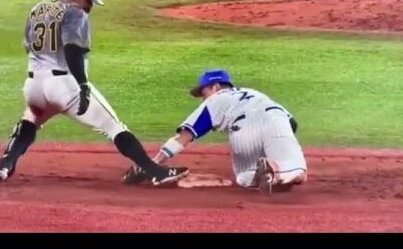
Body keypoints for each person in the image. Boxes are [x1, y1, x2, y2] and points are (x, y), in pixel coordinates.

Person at [0, 0, 189, 186]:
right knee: (113, 126)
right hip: (64, 85)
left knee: (31, 119)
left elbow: (27, 46)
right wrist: (82, 84)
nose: (90, 5)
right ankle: (155, 171)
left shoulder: (38, 9)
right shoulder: (75, 12)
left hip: (34, 85)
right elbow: (72, 49)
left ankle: (3, 165)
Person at [123, 69, 307, 194]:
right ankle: (282, 170)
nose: (202, 99)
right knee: (297, 172)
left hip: (243, 129)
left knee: (246, 179)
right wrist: (277, 146)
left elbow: (184, 137)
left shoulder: (214, 100)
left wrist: (152, 164)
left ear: (216, 87)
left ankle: (267, 173)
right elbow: (292, 124)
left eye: (203, 93)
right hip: (278, 121)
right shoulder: (255, 93)